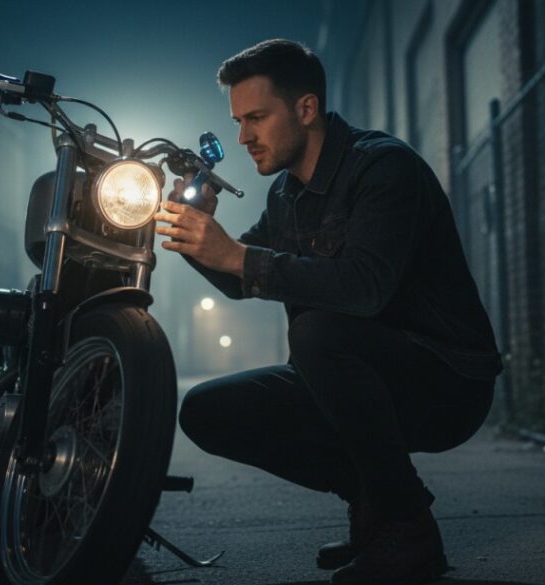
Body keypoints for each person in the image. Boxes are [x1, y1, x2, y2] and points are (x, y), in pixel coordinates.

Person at [153, 38, 501, 585]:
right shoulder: (286, 195)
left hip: (446, 380)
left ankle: (410, 529)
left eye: (257, 118)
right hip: (347, 373)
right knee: (206, 410)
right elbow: (242, 280)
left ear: (306, 108)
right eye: (238, 121)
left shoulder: (384, 168)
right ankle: (373, 499)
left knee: (316, 335)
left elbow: (366, 289)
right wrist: (199, 241)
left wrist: (238, 254)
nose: (243, 136)